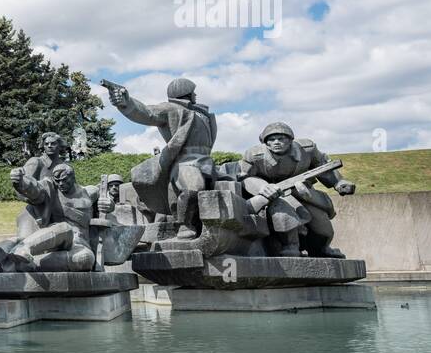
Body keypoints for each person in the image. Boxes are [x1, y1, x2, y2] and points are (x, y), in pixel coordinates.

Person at [107, 78, 216, 239]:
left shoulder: (202, 113)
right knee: (192, 188)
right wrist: (126, 103)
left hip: (207, 161)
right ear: (185, 93)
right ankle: (184, 224)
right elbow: (146, 112)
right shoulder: (172, 108)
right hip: (185, 162)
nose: (195, 94)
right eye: (193, 92)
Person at [239, 122, 356, 257]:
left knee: (323, 226)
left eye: (281, 138)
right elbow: (245, 177)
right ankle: (290, 246)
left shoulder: (307, 149)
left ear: (290, 140)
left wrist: (339, 182)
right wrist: (263, 187)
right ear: (266, 142)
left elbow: (322, 165)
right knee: (283, 215)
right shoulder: (254, 155)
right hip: (273, 194)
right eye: (271, 139)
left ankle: (322, 249)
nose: (276, 142)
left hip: (302, 191)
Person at [7, 162, 98, 271]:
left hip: (79, 243)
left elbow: (104, 194)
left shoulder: (87, 192)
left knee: (86, 259)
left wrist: (109, 204)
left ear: (73, 177)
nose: (61, 184)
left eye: (64, 180)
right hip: (57, 237)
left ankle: (27, 264)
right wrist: (21, 182)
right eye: (58, 181)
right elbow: (37, 190)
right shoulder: (51, 187)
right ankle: (23, 248)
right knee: (65, 228)